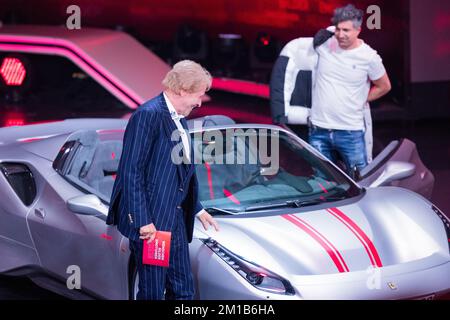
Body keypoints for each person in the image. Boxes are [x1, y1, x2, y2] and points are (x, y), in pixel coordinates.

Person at [106, 60, 219, 300]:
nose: (199, 102)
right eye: (198, 95)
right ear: (182, 90)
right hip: (153, 225)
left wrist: (197, 209)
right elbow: (131, 172)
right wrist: (142, 221)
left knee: (183, 291)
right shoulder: (148, 115)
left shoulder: (180, 117)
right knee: (153, 293)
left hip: (176, 219)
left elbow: (179, 172)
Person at [309, 4, 391, 175]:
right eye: (338, 29)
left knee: (360, 178)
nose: (341, 35)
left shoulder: (368, 57)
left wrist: (361, 99)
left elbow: (384, 86)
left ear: (358, 30)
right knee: (322, 180)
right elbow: (324, 33)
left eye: (346, 30)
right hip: (319, 128)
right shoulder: (325, 44)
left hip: (349, 131)